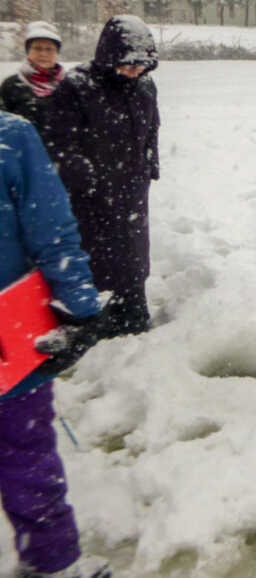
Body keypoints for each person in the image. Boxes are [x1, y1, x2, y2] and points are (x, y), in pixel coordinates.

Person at [0, 110, 112, 578]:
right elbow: (52, 229)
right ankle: (50, 561)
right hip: (10, 338)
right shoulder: (11, 136)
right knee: (26, 452)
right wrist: (82, 309)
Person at [41, 15, 160, 339]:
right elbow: (59, 140)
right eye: (129, 64)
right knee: (97, 255)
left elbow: (152, 129)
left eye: (142, 64)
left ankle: (133, 313)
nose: (136, 71)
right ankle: (92, 319)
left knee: (134, 254)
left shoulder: (145, 85)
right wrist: (85, 178)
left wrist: (150, 165)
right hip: (91, 194)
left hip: (133, 188)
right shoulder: (78, 86)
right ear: (110, 57)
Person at [0, 21, 65, 126]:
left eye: (49, 49)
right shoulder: (11, 85)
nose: (43, 53)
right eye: (37, 48)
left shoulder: (68, 85)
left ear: (57, 52)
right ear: (28, 51)